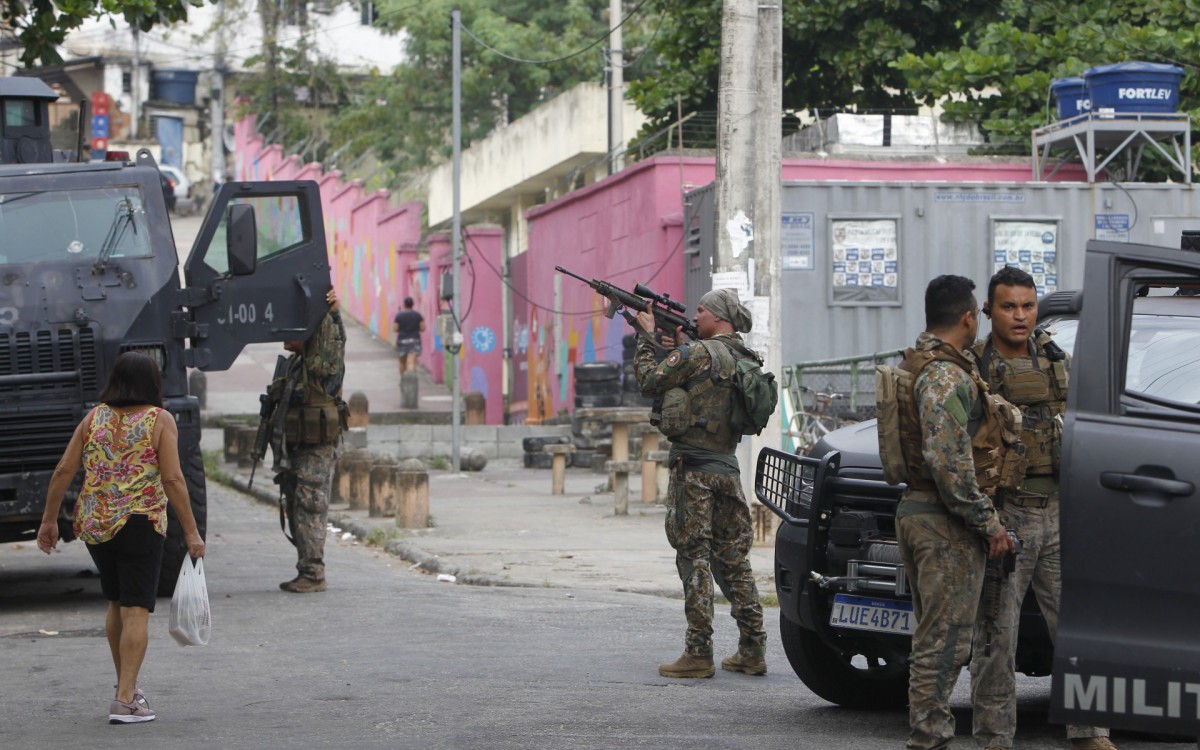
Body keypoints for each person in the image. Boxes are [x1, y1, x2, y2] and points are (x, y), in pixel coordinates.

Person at [968, 268, 1115, 750]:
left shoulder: (1056, 358)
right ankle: (994, 737)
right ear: (989, 310)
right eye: (1009, 306)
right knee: (996, 637)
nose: (1020, 316)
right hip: (1006, 515)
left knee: (1076, 631)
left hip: (1058, 514)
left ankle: (1090, 732)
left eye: (1028, 306)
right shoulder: (974, 368)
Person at [36, 352, 205, 725]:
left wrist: (49, 520)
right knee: (136, 608)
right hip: (139, 522)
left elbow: (64, 468)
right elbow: (174, 480)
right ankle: (126, 700)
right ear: (153, 383)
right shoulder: (159, 420)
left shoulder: (93, 418)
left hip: (95, 525)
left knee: (116, 602)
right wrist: (191, 532)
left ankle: (124, 689)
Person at [893, 275, 1017, 750]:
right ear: (969, 317)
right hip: (943, 522)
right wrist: (990, 525)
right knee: (943, 643)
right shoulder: (945, 375)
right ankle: (929, 738)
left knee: (934, 637)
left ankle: (929, 735)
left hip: (921, 512)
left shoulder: (919, 364)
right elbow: (949, 464)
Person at [632, 288, 767, 679]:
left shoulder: (696, 355)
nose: (697, 313)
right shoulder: (746, 358)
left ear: (719, 317)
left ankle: (698, 652)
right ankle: (752, 648)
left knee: (694, 556)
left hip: (693, 472)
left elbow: (649, 380)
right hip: (727, 470)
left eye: (703, 309)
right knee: (734, 560)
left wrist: (645, 337)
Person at [274, 288, 346, 593]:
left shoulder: (322, 369)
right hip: (297, 448)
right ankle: (306, 569)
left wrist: (331, 314)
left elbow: (334, 345)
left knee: (311, 508)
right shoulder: (294, 366)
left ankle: (314, 574)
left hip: (316, 449)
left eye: (294, 330)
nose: (285, 337)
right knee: (296, 508)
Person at [393, 296, 425, 376]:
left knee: (402, 362)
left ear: (404, 305)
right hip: (414, 340)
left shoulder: (399, 315)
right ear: (412, 305)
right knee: (412, 361)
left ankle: (403, 380)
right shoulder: (418, 315)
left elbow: (395, 329)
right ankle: (412, 382)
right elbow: (422, 328)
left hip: (402, 341)